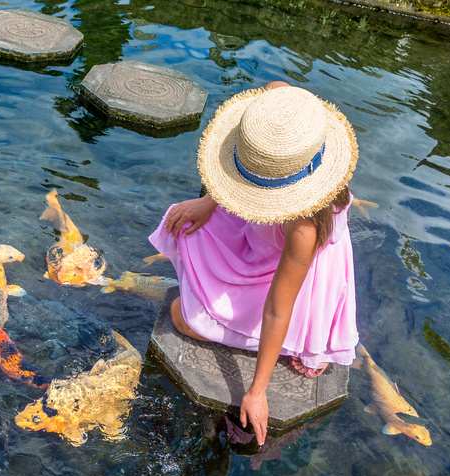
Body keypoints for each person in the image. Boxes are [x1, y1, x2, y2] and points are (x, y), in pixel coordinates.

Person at [148, 81, 359, 443]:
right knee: (183, 225)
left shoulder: (304, 226)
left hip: (290, 274)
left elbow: (279, 308)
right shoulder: (281, 107)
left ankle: (310, 337)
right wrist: (210, 201)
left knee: (183, 317)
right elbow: (275, 99)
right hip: (263, 241)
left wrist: (257, 392)